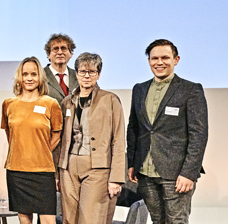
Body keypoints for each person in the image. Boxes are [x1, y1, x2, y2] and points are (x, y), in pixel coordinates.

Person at [127, 39, 208, 223]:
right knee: (157, 220)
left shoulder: (191, 90)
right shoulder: (139, 89)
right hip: (146, 171)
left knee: (176, 221)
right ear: (149, 61)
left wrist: (189, 172)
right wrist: (131, 162)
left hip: (176, 173)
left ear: (176, 59)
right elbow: (134, 128)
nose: (159, 62)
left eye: (165, 57)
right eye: (154, 58)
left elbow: (199, 135)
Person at [57, 53, 125, 224]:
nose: (86, 76)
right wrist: (57, 174)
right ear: (76, 74)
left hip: (97, 168)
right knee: (69, 218)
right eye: (82, 72)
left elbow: (118, 140)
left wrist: (116, 178)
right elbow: (60, 140)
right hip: (68, 167)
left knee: (91, 218)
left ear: (98, 74)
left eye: (91, 72)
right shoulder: (67, 102)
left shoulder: (110, 100)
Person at [0, 57, 62, 224]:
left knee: (48, 220)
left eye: (33, 74)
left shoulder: (51, 104)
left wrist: (41, 151)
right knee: (24, 220)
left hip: (43, 172)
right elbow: (10, 134)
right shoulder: (8, 104)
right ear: (19, 77)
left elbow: (57, 134)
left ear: (40, 77)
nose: (29, 78)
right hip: (17, 171)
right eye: (25, 74)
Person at [43, 33, 78, 104]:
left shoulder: (78, 76)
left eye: (63, 48)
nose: (60, 52)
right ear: (48, 54)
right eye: (55, 49)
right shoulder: (40, 76)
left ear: (71, 53)